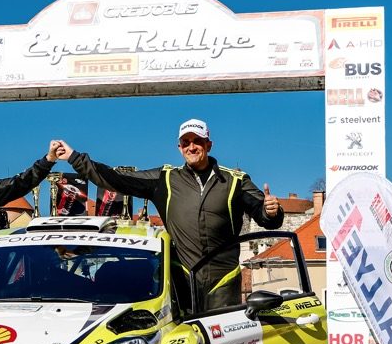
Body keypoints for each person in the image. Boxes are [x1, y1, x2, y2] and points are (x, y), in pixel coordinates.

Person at [56, 119, 283, 310]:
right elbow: (116, 179)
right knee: (181, 340)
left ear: (209, 145)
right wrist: (75, 158)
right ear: (179, 148)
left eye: (197, 141)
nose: (191, 147)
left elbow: (265, 215)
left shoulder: (235, 180)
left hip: (223, 280)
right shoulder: (164, 178)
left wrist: (271, 212)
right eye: (186, 143)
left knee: (223, 342)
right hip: (181, 277)